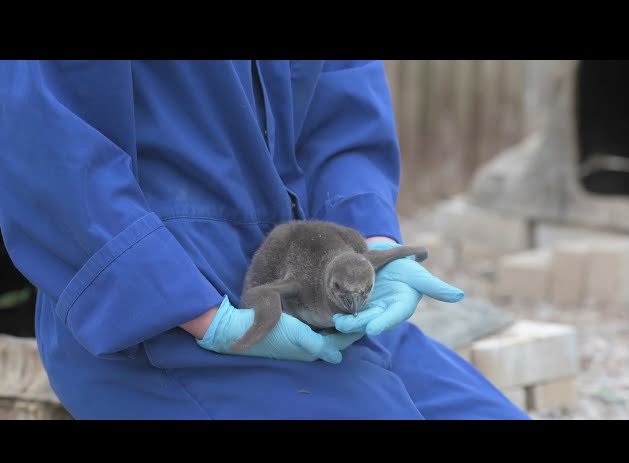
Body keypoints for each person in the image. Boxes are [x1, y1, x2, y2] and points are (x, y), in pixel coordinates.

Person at [0, 60, 529, 420]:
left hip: (313, 292)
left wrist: (367, 243)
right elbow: (48, 149)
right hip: (159, 318)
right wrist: (211, 321)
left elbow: (339, 91)